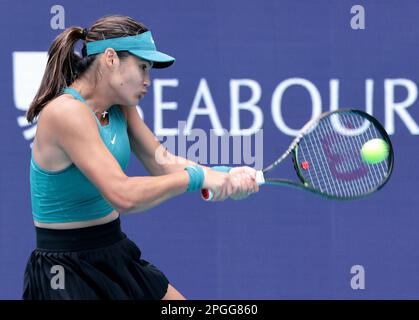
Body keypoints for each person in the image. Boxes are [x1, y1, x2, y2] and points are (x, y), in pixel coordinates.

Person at [23, 15, 259, 300]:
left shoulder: (121, 106)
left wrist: (223, 174)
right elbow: (123, 195)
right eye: (142, 67)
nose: (147, 81)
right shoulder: (66, 113)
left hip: (114, 251)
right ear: (110, 58)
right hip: (65, 273)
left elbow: (162, 161)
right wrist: (198, 177)